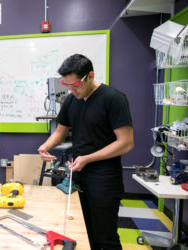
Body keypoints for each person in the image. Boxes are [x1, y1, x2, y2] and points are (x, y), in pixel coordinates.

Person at [38, 54, 134, 250]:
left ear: (90, 76)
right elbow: (60, 130)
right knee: (83, 231)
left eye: (76, 86)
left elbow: (126, 143)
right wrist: (45, 146)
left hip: (104, 177)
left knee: (104, 236)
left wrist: (88, 158)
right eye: (67, 86)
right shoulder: (72, 100)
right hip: (79, 174)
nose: (72, 91)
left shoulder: (113, 98)